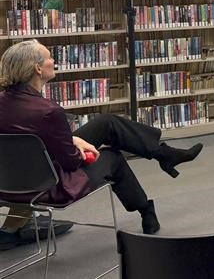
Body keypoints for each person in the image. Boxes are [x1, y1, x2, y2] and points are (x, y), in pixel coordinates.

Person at [0, 40, 203, 235]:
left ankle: (164, 154)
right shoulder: (49, 112)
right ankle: (146, 209)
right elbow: (70, 163)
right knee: (112, 157)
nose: (54, 61)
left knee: (107, 123)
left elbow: (27, 138)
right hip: (48, 185)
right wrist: (80, 148)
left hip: (9, 181)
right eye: (50, 57)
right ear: (37, 68)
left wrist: (71, 140)